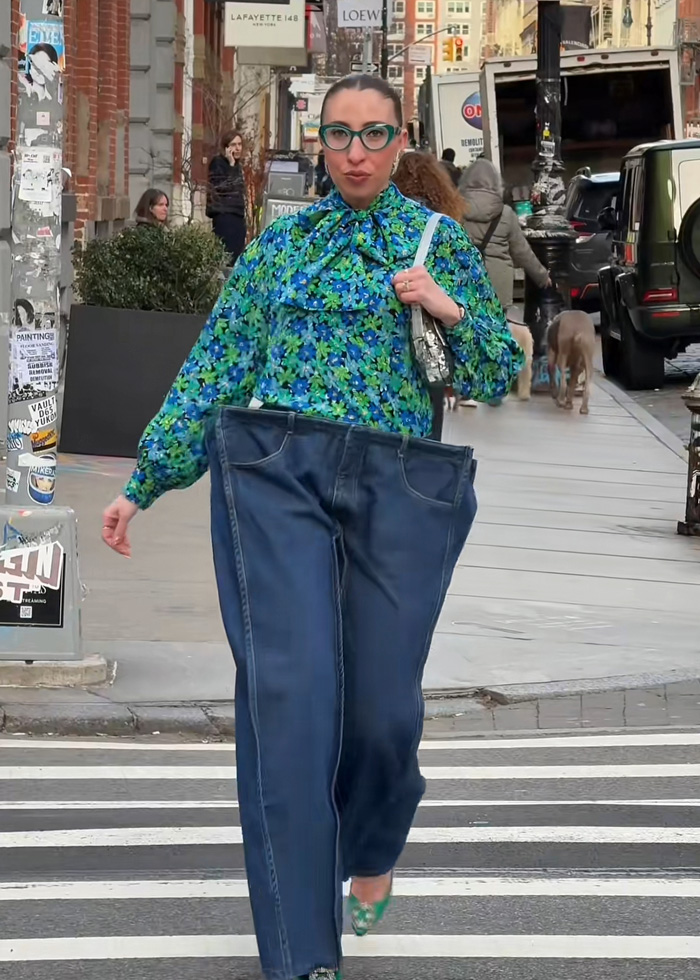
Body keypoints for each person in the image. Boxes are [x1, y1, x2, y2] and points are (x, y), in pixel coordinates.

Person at [102, 74, 523, 980]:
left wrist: (444, 307)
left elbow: (493, 372)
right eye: (340, 135)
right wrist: (147, 480)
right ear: (319, 142)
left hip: (397, 484)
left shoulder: (437, 241)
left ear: (402, 140)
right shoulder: (281, 247)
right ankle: (301, 955)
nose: (358, 152)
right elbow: (217, 364)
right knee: (287, 703)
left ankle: (371, 847)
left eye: (375, 135)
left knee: (382, 715)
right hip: (277, 477)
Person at [393, 150, 466, 439]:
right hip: (429, 336)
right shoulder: (442, 226)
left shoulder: (389, 219)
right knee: (430, 423)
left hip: (390, 337)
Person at [459, 157, 549, 309]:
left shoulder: (454, 211)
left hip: (464, 282)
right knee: (497, 330)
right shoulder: (505, 213)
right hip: (498, 286)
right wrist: (542, 277)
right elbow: (522, 252)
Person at [207, 131, 247, 263]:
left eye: (240, 144)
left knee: (236, 257)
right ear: (226, 147)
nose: (237, 148)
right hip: (224, 215)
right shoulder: (218, 163)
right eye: (233, 144)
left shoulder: (237, 166)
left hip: (237, 215)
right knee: (227, 257)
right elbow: (222, 187)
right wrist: (230, 165)